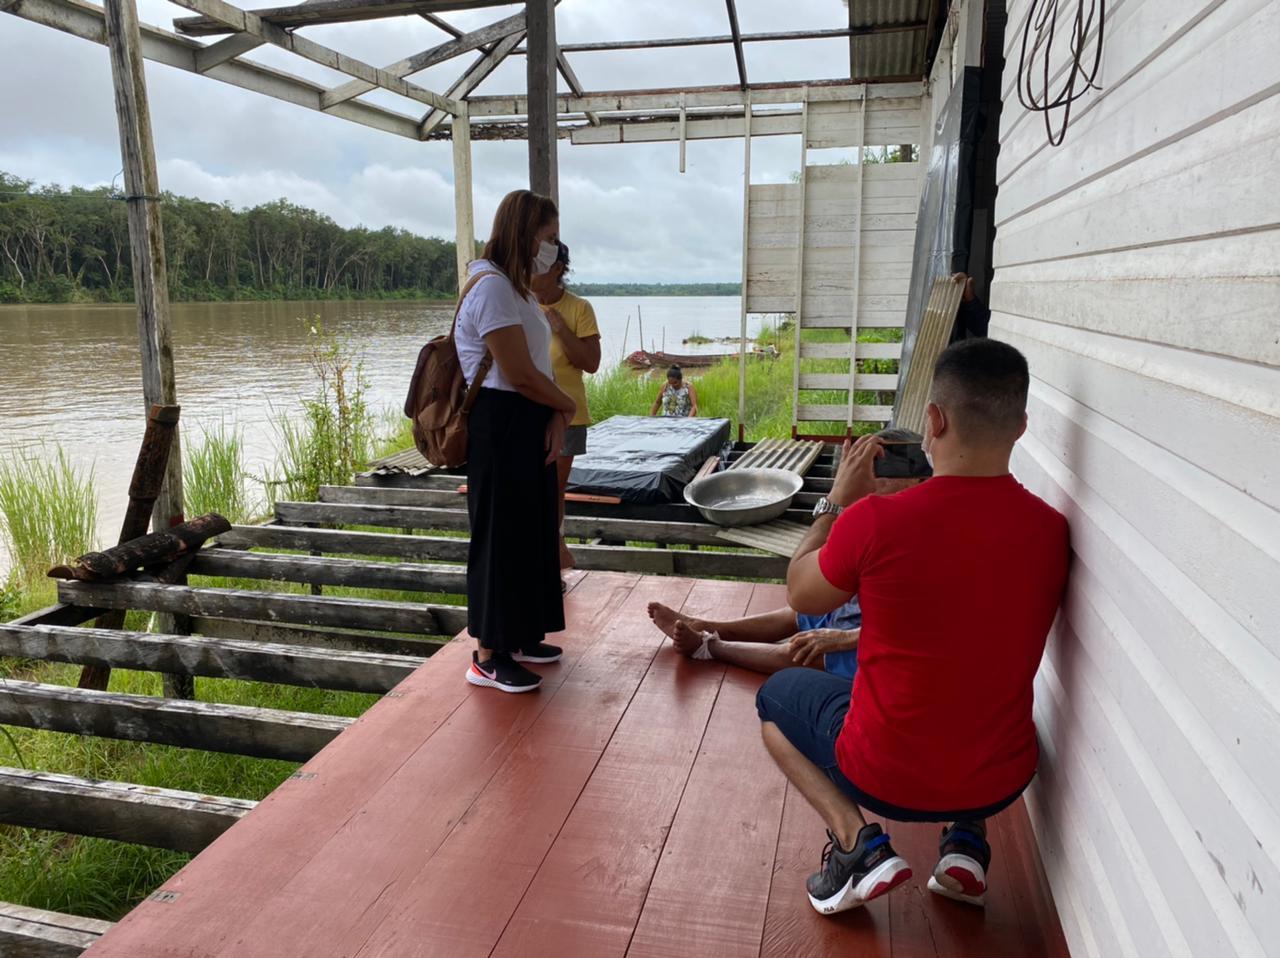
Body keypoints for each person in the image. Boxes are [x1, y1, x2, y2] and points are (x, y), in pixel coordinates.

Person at [755, 338, 1068, 917]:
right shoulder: (1051, 531)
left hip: (884, 777)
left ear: (934, 419)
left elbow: (800, 591)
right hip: (1002, 780)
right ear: (1021, 427)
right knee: (973, 671)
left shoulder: (874, 522)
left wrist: (835, 504)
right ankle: (966, 844)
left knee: (776, 701)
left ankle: (856, 845)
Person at [645, 430, 926, 677]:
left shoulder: (926, 534)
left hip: (887, 643)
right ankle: (707, 625)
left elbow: (916, 620)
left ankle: (711, 646)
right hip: (860, 616)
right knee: (798, 614)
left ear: (919, 475)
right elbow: (810, 591)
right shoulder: (872, 516)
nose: (876, 478)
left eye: (889, 467)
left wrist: (844, 638)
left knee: (804, 652)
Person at [454, 189, 577, 694]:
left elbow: (535, 374)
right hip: (500, 422)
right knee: (499, 536)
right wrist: (564, 405)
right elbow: (519, 373)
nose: (551, 247)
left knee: (531, 530)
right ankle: (487, 653)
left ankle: (521, 635)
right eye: (547, 237)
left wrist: (553, 413)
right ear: (524, 232)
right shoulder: (490, 288)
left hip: (527, 419)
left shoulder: (519, 288)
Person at [531, 242, 601, 578]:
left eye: (538, 264)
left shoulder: (579, 308)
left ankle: (554, 554)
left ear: (557, 268)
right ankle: (546, 555)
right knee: (530, 486)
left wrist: (560, 327)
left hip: (568, 414)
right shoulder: (520, 304)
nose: (530, 270)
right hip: (528, 411)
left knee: (554, 486)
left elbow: (591, 363)